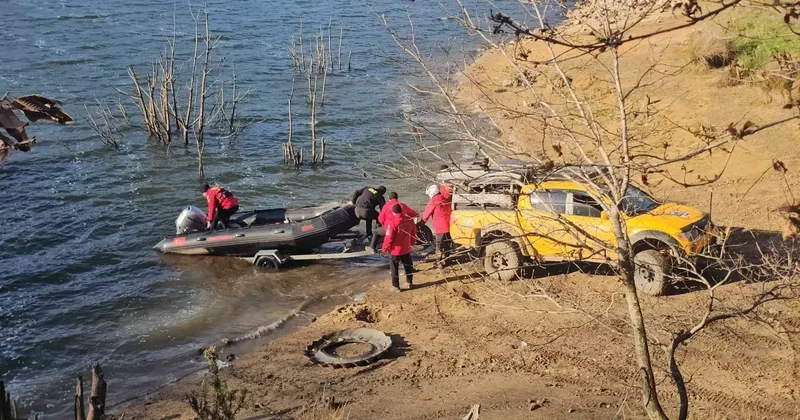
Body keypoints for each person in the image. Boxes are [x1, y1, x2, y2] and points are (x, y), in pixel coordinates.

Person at [382, 204, 417, 291]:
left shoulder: (392, 221)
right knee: (408, 265)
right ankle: (409, 282)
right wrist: (412, 243)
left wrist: (385, 248)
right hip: (406, 247)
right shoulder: (409, 220)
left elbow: (389, 237)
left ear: (393, 212)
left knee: (394, 268)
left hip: (395, 250)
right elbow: (414, 233)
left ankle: (396, 286)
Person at [422, 183, 453, 266]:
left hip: (440, 227)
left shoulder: (433, 201)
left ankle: (439, 262)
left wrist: (419, 224)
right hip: (450, 225)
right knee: (447, 244)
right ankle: (447, 259)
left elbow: (425, 216)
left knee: (439, 245)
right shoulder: (447, 198)